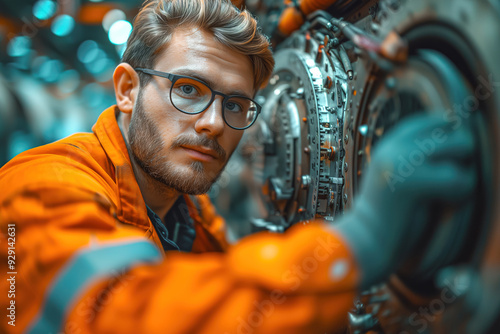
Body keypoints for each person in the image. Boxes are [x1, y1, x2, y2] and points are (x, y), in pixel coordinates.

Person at [0, 0, 475, 333]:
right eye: (188, 88)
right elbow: (115, 317)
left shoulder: (191, 220)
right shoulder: (39, 188)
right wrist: (359, 242)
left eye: (235, 104)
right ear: (127, 90)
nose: (213, 124)